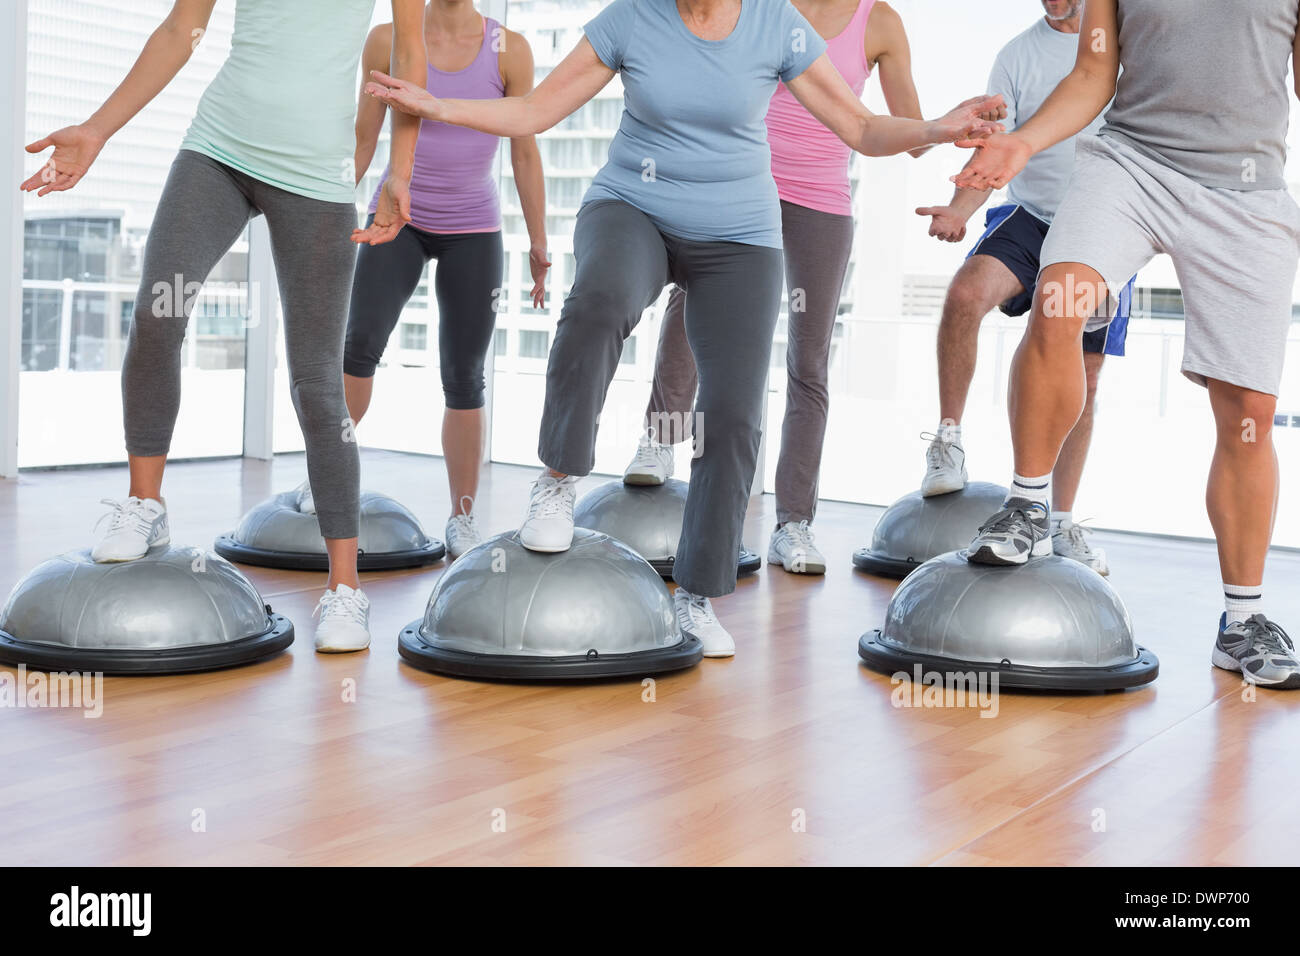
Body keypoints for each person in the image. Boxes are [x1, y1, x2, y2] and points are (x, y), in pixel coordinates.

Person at [366, 0, 1003, 658]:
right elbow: (535, 111)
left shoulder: (773, 24)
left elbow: (863, 127)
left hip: (739, 236)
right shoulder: (634, 18)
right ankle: (557, 482)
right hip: (631, 206)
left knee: (731, 413)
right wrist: (437, 105)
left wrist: (935, 127)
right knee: (601, 299)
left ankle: (697, 595)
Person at [20, 0, 427, 653]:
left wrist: (399, 173)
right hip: (219, 149)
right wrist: (98, 129)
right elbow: (184, 28)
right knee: (159, 311)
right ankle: (145, 506)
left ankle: (345, 589)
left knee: (317, 385)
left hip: (316, 175)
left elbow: (407, 58)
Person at [955, 0, 1300, 689]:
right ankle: (1029, 503)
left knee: (1249, 413)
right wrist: (1024, 140)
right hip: (1131, 166)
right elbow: (1093, 71)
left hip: (1246, 189)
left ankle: (1242, 621)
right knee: (1059, 299)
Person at [622, 0, 931, 577]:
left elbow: (910, 134)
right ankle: (661, 440)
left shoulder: (879, 22)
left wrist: (947, 127)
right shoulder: (764, 8)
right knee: (691, 306)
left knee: (808, 359)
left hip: (820, 201)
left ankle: (794, 524)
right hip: (740, 181)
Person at [915, 0, 1131, 575]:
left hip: (1105, 225)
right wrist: (960, 209)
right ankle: (948, 441)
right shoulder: (1016, 55)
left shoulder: (1122, 44)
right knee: (966, 293)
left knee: (1083, 371)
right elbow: (995, 146)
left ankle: (1059, 522)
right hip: (1032, 217)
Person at [336, 0, 550, 560]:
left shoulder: (511, 51)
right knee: (358, 347)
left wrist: (539, 242)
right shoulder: (385, 40)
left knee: (464, 375)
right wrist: (329, 217)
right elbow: (364, 138)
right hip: (395, 219)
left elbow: (524, 153)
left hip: (473, 229)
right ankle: (325, 479)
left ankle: (462, 517)